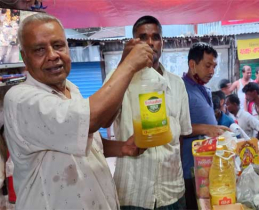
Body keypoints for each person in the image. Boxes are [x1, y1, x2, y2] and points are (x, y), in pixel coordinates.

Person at [4, 13, 153, 209]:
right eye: (39, 50)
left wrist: (123, 148)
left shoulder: (71, 88)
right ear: (24, 57)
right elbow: (91, 119)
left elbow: (89, 133)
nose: (52, 55)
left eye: (58, 46)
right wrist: (129, 66)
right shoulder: (21, 99)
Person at [103, 16, 192, 209]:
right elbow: (104, 120)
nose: (150, 43)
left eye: (155, 37)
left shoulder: (177, 84)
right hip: (133, 192)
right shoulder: (117, 78)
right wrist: (123, 65)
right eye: (143, 37)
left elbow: (182, 136)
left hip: (172, 191)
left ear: (162, 42)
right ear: (133, 43)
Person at [182, 42, 230, 209]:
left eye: (214, 66)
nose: (212, 71)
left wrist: (216, 129)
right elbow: (175, 128)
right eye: (208, 65)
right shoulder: (181, 89)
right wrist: (206, 128)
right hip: (190, 168)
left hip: (208, 164)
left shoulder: (204, 88)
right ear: (192, 64)